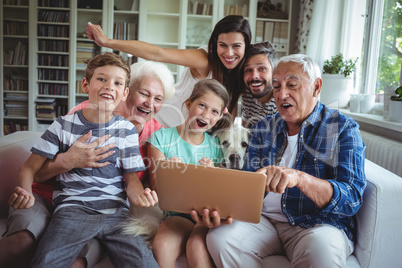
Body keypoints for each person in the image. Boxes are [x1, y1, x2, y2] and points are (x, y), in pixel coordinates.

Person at [0, 60, 175, 268]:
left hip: (115, 213)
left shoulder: (136, 131)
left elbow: (133, 180)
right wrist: (60, 165)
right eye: (102, 79)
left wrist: (141, 197)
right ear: (85, 85)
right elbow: (30, 169)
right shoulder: (66, 123)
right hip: (71, 209)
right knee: (43, 259)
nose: (110, 86)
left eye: (118, 83)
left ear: (124, 92)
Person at [198, 54, 367, 267]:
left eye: (292, 85)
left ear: (316, 87)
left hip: (317, 225)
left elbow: (351, 198)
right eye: (276, 87)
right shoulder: (262, 127)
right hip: (264, 221)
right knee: (219, 238)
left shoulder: (342, 128)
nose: (282, 94)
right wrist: (223, 208)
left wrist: (300, 179)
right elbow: (246, 183)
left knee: (321, 251)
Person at [86, 15, 252, 127]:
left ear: (246, 46)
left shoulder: (241, 75)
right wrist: (108, 42)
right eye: (223, 45)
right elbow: (158, 53)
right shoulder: (204, 60)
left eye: (236, 46)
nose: (229, 53)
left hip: (188, 137)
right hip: (159, 123)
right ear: (215, 43)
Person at [147, 79, 230, 268]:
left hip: (206, 218)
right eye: (202, 105)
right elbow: (156, 189)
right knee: (161, 246)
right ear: (188, 104)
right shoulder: (161, 138)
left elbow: (221, 194)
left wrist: (212, 175)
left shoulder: (216, 147)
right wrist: (169, 173)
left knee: (197, 249)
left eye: (214, 112)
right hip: (177, 216)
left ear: (218, 118)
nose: (206, 115)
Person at [241, 41, 278, 128]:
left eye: (262, 68)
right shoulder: (247, 93)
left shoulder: (280, 99)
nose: (254, 76)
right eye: (248, 70)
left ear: (274, 71)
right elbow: (246, 127)